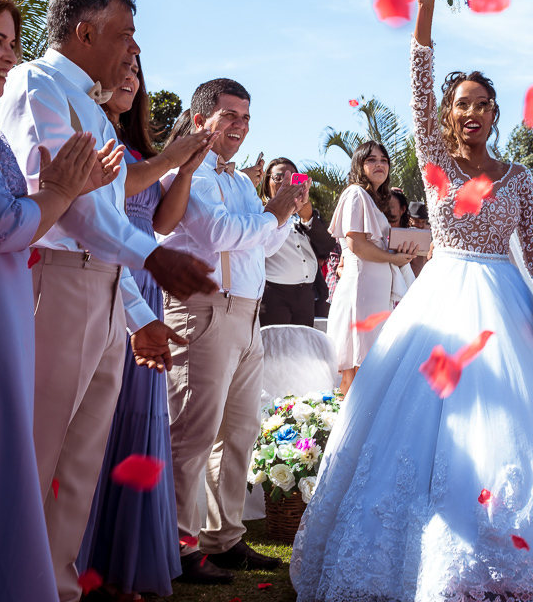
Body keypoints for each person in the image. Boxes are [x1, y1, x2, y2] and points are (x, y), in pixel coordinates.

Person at [291, 0, 533, 602]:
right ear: (448, 114)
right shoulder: (434, 161)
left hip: (507, 305)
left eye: (482, 104)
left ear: (495, 114)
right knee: (420, 429)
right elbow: (419, 85)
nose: (472, 112)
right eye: (462, 104)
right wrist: (425, 12)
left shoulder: (519, 176)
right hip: (442, 300)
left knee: (526, 429)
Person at [0, 0, 218, 600]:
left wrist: (138, 313)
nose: (133, 50)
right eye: (125, 35)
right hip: (57, 284)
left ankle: (57, 589)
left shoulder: (93, 109)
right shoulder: (36, 85)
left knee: (78, 470)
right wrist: (152, 257)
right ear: (84, 32)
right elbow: (67, 206)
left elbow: (108, 216)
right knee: (35, 462)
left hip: (104, 289)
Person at [0, 0, 118, 601]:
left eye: (13, 42)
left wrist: (64, 189)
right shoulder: (22, 94)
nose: (10, 55)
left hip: (9, 305)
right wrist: (60, 190)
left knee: (46, 464)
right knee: (10, 460)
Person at [158, 79, 306, 585]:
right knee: (193, 433)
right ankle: (179, 545)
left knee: (239, 432)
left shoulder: (241, 181)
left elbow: (262, 246)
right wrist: (273, 214)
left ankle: (224, 538)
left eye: (246, 117)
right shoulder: (188, 173)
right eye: (230, 116)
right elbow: (219, 233)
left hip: (247, 313)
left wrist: (284, 211)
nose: (241, 126)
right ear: (200, 119)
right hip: (202, 311)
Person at [79, 55, 214, 599]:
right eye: (124, 65)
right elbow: (110, 195)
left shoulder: (140, 151)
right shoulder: (94, 137)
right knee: (95, 422)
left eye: (138, 70)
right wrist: (171, 157)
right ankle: (80, 563)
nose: (131, 77)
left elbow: (162, 222)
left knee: (136, 419)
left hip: (146, 282)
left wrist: (184, 169)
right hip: (105, 272)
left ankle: (120, 565)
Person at [325, 140, 416, 394]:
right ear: (359, 165)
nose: (379, 164)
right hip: (361, 290)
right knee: (358, 366)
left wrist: (400, 254)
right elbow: (357, 245)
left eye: (384, 160)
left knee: (368, 365)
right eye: (372, 160)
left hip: (374, 291)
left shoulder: (373, 200)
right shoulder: (356, 193)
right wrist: (393, 259)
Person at [259, 157, 336, 327]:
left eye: (293, 178)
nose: (285, 182)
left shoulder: (306, 214)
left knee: (301, 342)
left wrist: (308, 217)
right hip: (274, 294)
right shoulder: (260, 214)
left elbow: (327, 245)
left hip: (307, 294)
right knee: (275, 342)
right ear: (267, 183)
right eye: (278, 178)